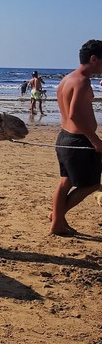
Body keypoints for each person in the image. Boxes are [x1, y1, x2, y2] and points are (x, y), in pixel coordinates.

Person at [50, 39, 102, 236]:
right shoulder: (82, 81)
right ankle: (56, 217)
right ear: (94, 58)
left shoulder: (67, 79)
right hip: (79, 141)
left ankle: (57, 221)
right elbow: (74, 115)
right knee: (92, 184)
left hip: (65, 137)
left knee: (65, 182)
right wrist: (94, 140)